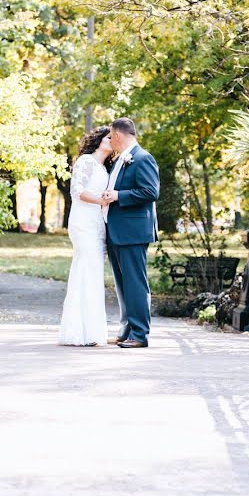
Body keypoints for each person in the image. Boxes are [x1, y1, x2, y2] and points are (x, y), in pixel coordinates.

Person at [101, 117, 160, 348]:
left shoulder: (143, 158)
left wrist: (118, 196)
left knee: (135, 284)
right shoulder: (119, 161)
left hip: (133, 231)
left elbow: (150, 191)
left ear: (117, 136)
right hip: (117, 230)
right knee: (122, 284)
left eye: (111, 137)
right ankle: (126, 329)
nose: (110, 141)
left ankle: (140, 334)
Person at [58, 126, 113, 346]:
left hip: (98, 223)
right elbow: (77, 191)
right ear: (98, 140)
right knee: (87, 269)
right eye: (108, 138)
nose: (112, 141)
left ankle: (88, 330)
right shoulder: (86, 161)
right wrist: (102, 200)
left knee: (91, 272)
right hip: (83, 222)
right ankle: (83, 332)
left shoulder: (105, 166)